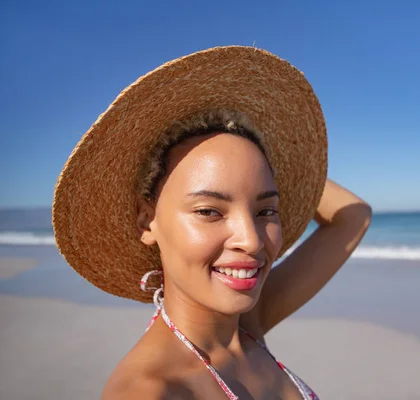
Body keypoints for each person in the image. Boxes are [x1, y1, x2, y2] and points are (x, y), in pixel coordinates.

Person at [52, 46, 372, 399]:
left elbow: (353, 215)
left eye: (265, 211)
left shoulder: (246, 325)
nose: (250, 241)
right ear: (147, 221)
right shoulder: (152, 391)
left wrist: (267, 157)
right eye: (209, 211)